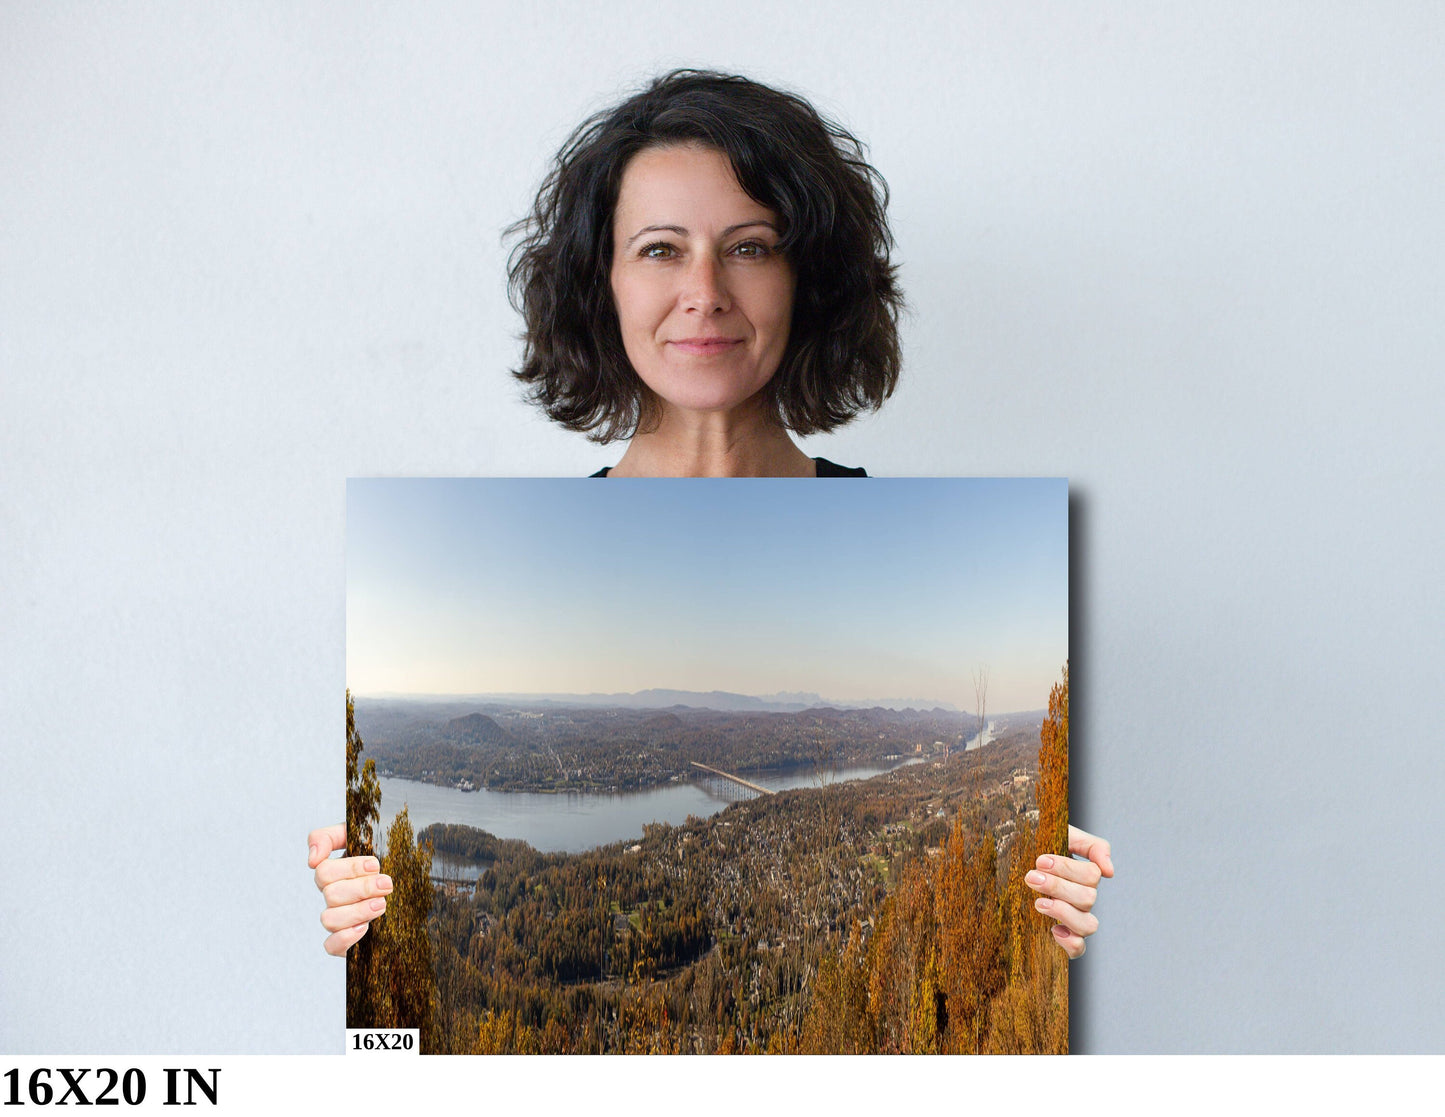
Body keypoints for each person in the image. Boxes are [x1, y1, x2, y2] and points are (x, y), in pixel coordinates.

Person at [310, 69, 1113, 963]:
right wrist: (370, 930)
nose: (705, 291)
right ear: (601, 283)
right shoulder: (514, 536)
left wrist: (1041, 933)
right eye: (659, 249)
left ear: (806, 281)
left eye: (750, 246)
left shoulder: (949, 541)